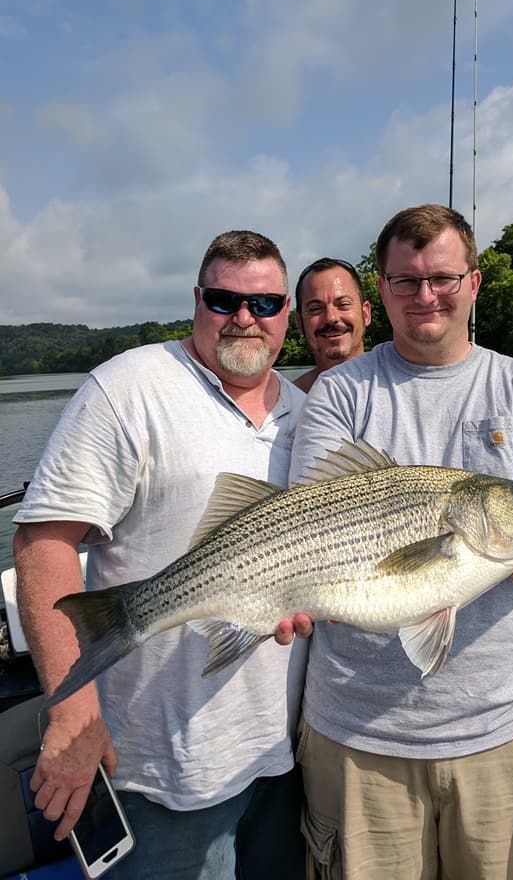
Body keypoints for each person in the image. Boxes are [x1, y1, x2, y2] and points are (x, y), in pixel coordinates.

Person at [287, 204, 513, 880]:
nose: (426, 295)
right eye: (407, 281)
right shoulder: (337, 393)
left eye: (443, 278)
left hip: (506, 729)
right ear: (383, 291)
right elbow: (311, 520)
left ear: (474, 283)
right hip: (357, 736)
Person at [13, 230, 308, 880]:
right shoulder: (130, 387)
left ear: (286, 312)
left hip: (280, 757)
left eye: (264, 303)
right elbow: (42, 542)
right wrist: (74, 710)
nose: (244, 317)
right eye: (225, 299)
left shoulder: (307, 414)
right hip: (159, 769)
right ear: (197, 300)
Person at [292, 257, 371, 393]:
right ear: (299, 322)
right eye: (316, 309)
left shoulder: (399, 386)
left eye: (343, 305)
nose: (331, 318)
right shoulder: (290, 400)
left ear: (366, 314)